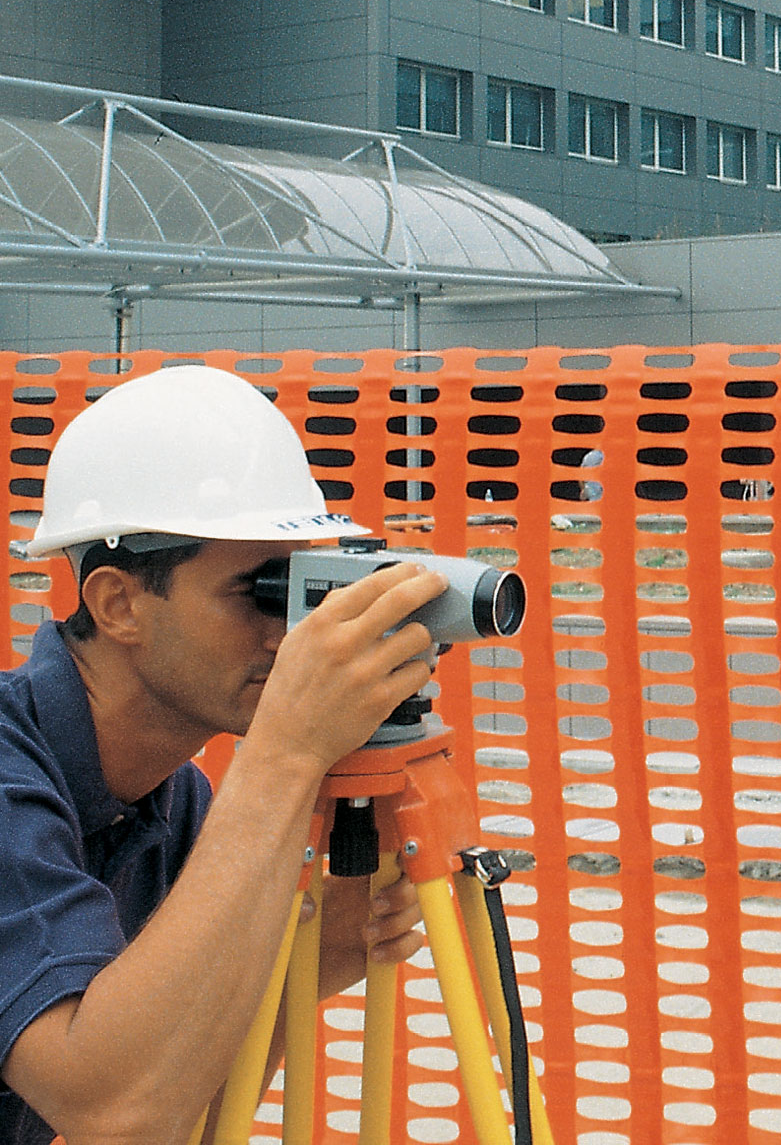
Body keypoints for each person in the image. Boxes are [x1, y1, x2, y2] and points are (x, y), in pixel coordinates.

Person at [0, 365, 449, 1145]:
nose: (289, 634)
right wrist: (286, 755)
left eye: (300, 588)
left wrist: (322, 954)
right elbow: (111, 1112)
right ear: (118, 604)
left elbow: (184, 1114)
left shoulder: (175, 805)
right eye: (256, 591)